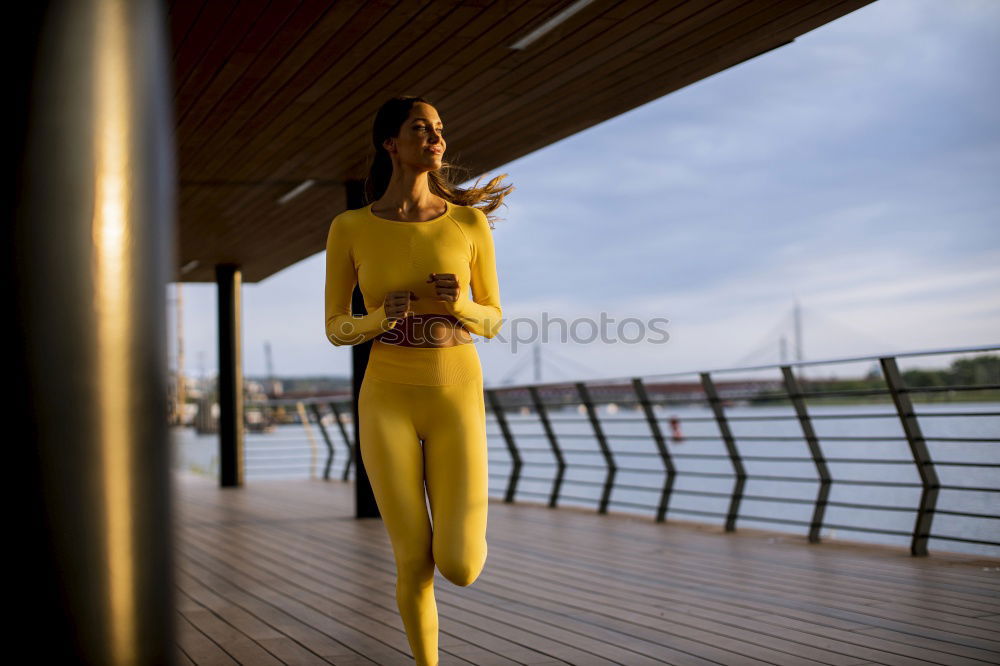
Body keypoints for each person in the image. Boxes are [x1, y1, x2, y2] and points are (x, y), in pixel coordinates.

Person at [324, 96, 513, 666]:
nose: (436, 138)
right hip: (387, 394)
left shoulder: (469, 222)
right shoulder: (351, 226)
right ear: (391, 143)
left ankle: (468, 524)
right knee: (413, 561)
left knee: (459, 565)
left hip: (455, 388)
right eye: (421, 129)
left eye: (439, 130)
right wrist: (381, 317)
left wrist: (463, 308)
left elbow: (496, 318)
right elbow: (337, 327)